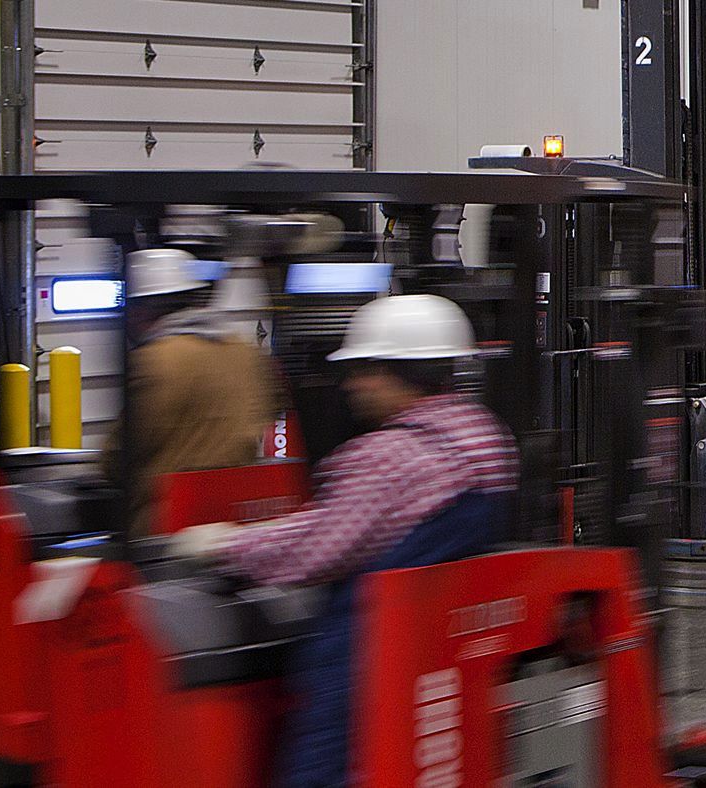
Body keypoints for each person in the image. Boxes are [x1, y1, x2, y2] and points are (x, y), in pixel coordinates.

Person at [175, 294, 517, 788]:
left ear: (396, 371)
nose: (352, 385)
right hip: (438, 643)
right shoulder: (484, 436)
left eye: (362, 370)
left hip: (368, 652)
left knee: (324, 770)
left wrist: (222, 546)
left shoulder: (387, 455)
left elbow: (318, 548)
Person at [107, 248, 278, 530]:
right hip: (238, 522)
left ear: (139, 311)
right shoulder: (245, 353)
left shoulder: (153, 360)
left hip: (165, 527)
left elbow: (122, 451)